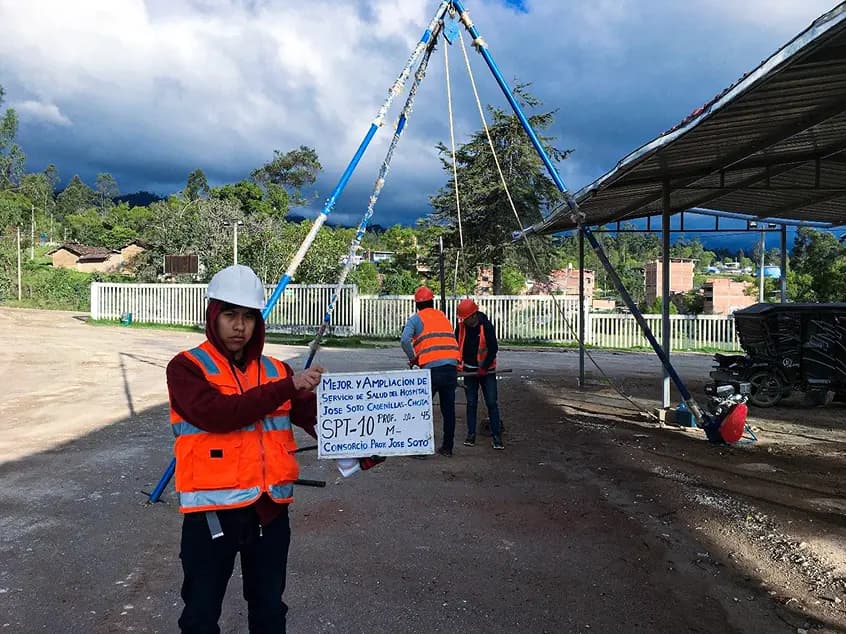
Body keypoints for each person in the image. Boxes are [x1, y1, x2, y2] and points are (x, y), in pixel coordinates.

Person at [166, 264, 325, 633]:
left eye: (249, 317)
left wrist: (362, 446)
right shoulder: (187, 368)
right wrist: (288, 387)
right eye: (230, 315)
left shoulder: (276, 370)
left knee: (270, 612)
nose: (239, 326)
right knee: (200, 617)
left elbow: (316, 419)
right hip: (212, 517)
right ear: (212, 316)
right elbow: (218, 414)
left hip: (269, 513)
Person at [401, 286, 460, 457]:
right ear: (432, 302)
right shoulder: (442, 316)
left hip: (431, 370)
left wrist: (413, 359)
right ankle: (447, 448)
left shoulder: (416, 319)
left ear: (417, 305)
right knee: (448, 409)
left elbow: (405, 340)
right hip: (451, 367)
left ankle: (420, 449)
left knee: (421, 408)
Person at [456, 298, 504, 450]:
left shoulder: (486, 326)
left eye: (466, 318)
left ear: (474, 315)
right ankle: (471, 435)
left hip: (487, 371)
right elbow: (456, 346)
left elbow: (493, 348)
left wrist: (484, 366)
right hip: (470, 371)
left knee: (491, 402)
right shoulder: (461, 327)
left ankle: (496, 436)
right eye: (462, 318)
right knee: (471, 403)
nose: (464, 321)